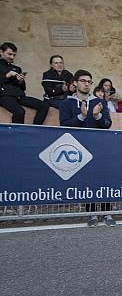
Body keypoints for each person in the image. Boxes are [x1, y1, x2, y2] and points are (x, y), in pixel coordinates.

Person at [59, 70, 114, 226]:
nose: (86, 84)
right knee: (88, 181)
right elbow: (64, 125)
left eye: (89, 82)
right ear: (75, 83)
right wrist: (81, 117)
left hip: (99, 147)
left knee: (104, 179)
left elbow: (107, 125)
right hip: (77, 149)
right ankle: (92, 214)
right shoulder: (66, 103)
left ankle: (107, 213)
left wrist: (97, 115)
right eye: (83, 81)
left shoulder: (100, 102)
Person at [0, 42, 50, 124]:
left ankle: (35, 128)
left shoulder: (17, 68)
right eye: (9, 54)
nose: (12, 57)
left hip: (19, 95)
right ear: (1, 52)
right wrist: (7, 75)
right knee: (20, 111)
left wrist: (20, 81)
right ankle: (16, 133)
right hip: (4, 96)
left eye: (14, 55)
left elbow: (23, 88)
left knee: (44, 105)